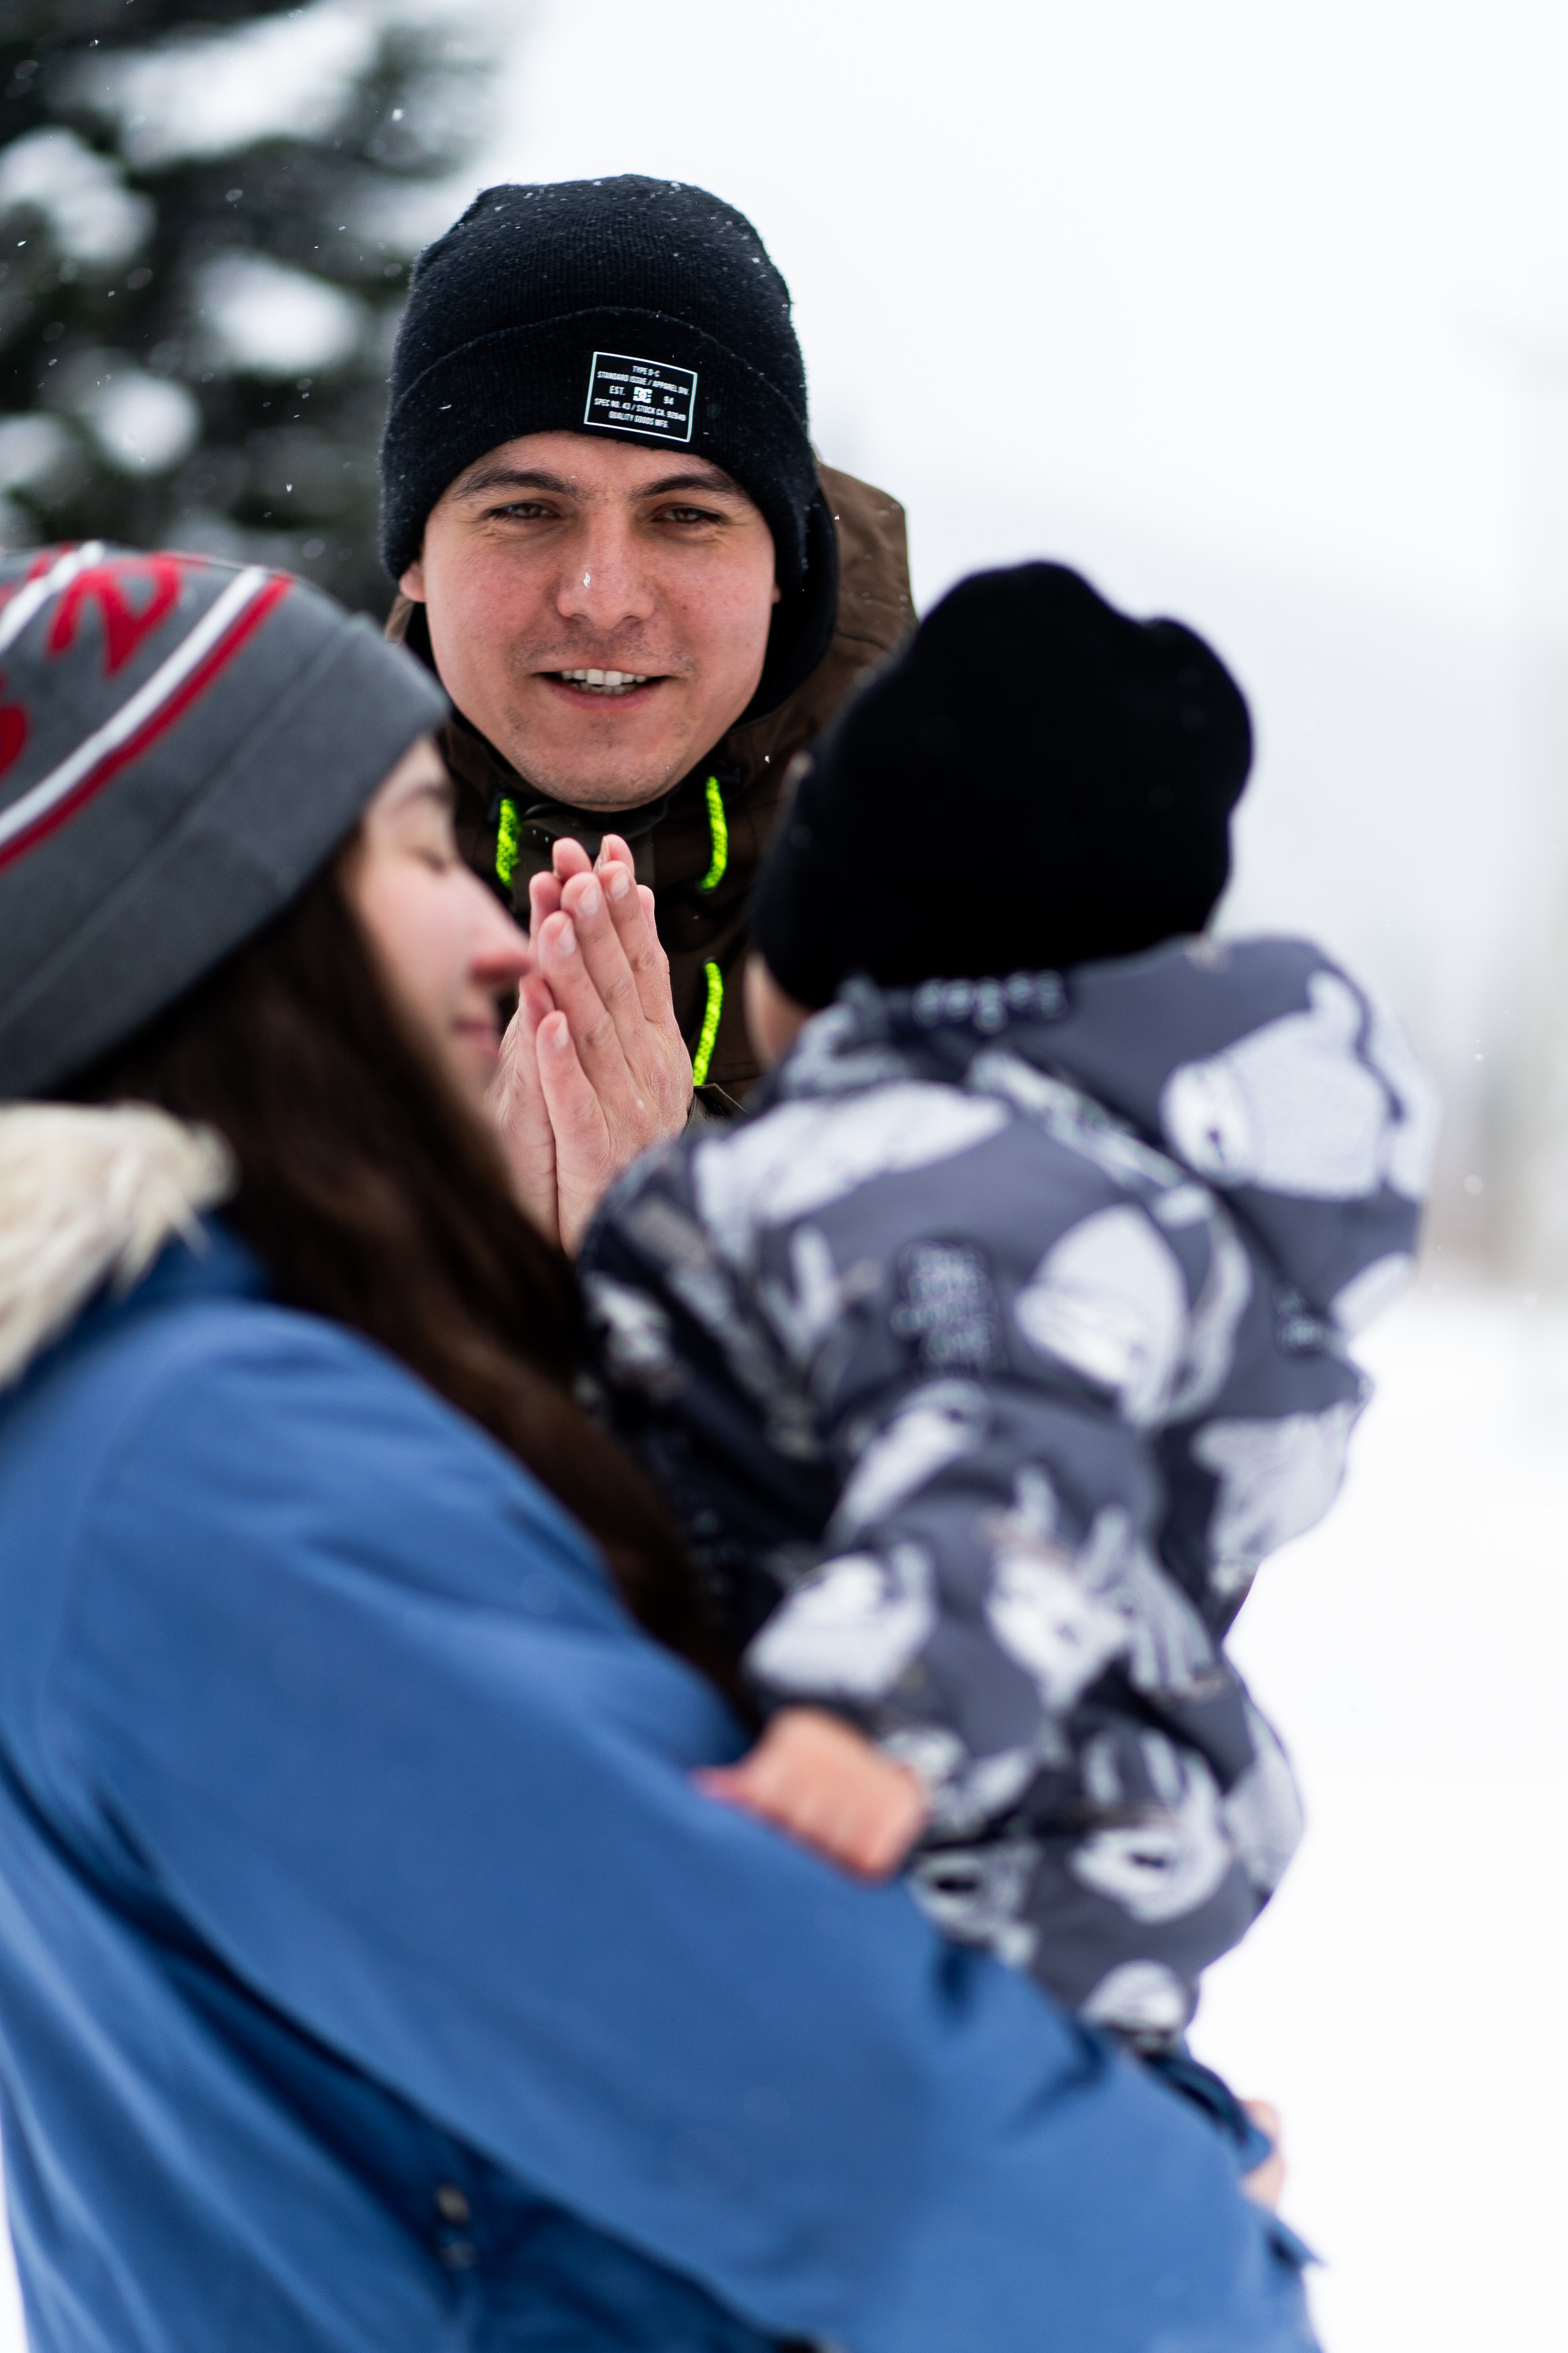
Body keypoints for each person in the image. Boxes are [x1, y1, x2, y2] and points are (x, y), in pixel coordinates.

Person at [0, 545, 1316, 2352]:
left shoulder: (188, 1392)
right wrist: (1190, 2229)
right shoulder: (215, 1466)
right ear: (221, 920)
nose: (490, 924)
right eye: (407, 843)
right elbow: (835, 2110)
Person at [581, 562, 1434, 2061]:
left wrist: (875, 1712)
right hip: (1015, 1855)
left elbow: (1003, 1451)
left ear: (840, 951)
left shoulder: (950, 1186)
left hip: (894, 1836)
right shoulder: (1050, 1185)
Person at [377, 176, 914, 1219]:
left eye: (685, 517)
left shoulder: (995, 909)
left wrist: (678, 1235)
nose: (603, 599)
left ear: (782, 566)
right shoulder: (263, 905)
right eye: (528, 509)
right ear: (414, 558)